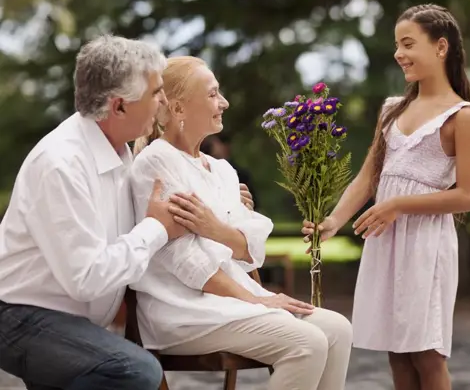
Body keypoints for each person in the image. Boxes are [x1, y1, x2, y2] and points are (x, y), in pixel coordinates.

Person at [130, 56, 353, 390]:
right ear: (178, 109)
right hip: (184, 309)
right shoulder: (156, 163)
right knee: (307, 343)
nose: (224, 102)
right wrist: (258, 299)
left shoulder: (222, 170)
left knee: (338, 329)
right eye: (212, 94)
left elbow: (251, 249)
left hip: (234, 298)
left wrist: (214, 229)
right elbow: (187, 261)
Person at [302, 4, 470, 390]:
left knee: (427, 355)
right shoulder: (391, 110)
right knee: (398, 355)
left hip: (426, 246)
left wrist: (398, 205)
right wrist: (333, 221)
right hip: (388, 243)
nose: (399, 53)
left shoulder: (462, 116)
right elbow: (369, 177)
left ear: (440, 47)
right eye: (396, 45)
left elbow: (468, 196)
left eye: (407, 43)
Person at [0, 35, 187, 389]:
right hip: (17, 316)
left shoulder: (120, 153)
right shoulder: (61, 164)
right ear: (118, 107)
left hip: (67, 322)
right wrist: (155, 228)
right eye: (156, 93)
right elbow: (87, 278)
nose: (163, 102)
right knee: (135, 370)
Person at [201, 131, 259, 209]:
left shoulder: (241, 174)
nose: (210, 147)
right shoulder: (202, 169)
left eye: (214, 144)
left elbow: (253, 204)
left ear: (226, 146)